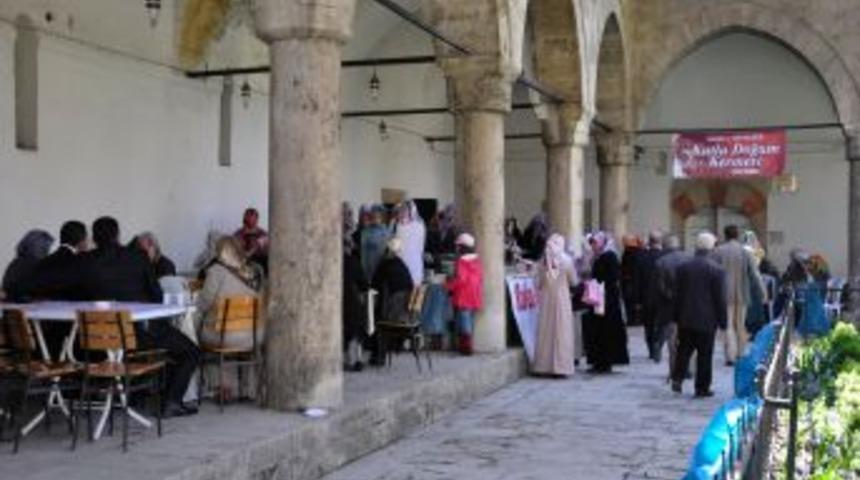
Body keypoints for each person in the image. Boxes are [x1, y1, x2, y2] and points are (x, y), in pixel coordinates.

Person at [85, 216, 200, 417]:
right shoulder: (137, 257)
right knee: (190, 352)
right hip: (140, 334)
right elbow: (156, 296)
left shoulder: (86, 260)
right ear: (118, 235)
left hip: (97, 339)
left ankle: (131, 395)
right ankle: (171, 401)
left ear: (93, 238)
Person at [196, 236, 265, 398]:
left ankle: (220, 387)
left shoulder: (216, 272)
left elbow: (203, 304)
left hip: (226, 337)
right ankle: (248, 390)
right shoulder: (253, 271)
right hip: (255, 336)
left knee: (195, 329)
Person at [672, 232, 727, 398]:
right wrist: (723, 321)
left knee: (684, 350)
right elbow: (719, 298)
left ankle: (678, 378)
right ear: (711, 248)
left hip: (686, 317)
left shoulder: (683, 268)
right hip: (707, 319)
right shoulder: (716, 270)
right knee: (705, 355)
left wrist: (676, 316)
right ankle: (701, 387)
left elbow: (678, 294)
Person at [713, 225, 765, 365]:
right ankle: (741, 354)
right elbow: (755, 275)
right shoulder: (745, 252)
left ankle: (730, 356)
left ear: (725, 235)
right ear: (737, 235)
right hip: (743, 292)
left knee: (728, 325)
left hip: (724, 294)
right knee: (740, 325)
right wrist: (763, 291)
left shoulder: (718, 251)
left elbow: (712, 273)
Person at [583, 232, 630, 373]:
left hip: (607, 300)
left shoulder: (610, 256)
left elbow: (613, 277)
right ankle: (599, 361)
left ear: (603, 243)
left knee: (606, 331)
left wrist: (598, 283)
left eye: (596, 243)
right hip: (598, 298)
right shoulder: (598, 257)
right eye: (592, 243)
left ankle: (605, 361)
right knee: (597, 330)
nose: (593, 246)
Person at [532, 234, 576, 377]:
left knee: (546, 331)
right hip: (562, 298)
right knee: (561, 331)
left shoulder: (543, 261)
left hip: (546, 299)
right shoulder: (567, 261)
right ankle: (561, 367)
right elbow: (573, 281)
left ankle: (542, 366)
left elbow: (537, 283)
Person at [370, 237, 415, 364]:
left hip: (396, 312)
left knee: (377, 320)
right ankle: (389, 349)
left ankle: (379, 356)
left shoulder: (385, 265)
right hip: (407, 313)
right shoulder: (402, 264)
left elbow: (374, 284)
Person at [654, 234, 691, 378]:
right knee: (688, 339)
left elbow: (660, 287)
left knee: (672, 341)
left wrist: (670, 297)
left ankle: (676, 369)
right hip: (688, 305)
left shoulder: (661, 262)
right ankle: (687, 368)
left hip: (669, 306)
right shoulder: (689, 259)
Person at [446, 233, 482, 355]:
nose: (457, 248)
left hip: (463, 295)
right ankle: (467, 345)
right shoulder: (476, 260)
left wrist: (448, 285)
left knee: (464, 321)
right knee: (469, 320)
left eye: (459, 246)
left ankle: (466, 347)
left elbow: (461, 279)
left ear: (463, 247)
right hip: (474, 294)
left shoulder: (461, 261)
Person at [343, 204, 369, 371]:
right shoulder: (353, 262)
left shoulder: (337, 263)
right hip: (350, 302)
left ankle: (352, 358)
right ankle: (355, 359)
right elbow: (364, 284)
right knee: (358, 321)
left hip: (341, 302)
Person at [2, 229, 55, 302]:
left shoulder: (17, 261)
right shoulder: (31, 263)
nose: (47, 252)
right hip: (25, 307)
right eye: (44, 248)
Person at [637, 231, 664, 361]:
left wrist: (637, 299)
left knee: (648, 325)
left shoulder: (642, 256)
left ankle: (651, 349)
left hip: (646, 296)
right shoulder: (665, 256)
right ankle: (658, 342)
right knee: (662, 323)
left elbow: (637, 279)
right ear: (660, 241)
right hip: (663, 297)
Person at [394, 200, 426, 286]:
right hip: (401, 263)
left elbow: (420, 247)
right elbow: (396, 247)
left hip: (414, 263)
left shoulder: (419, 226)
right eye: (401, 210)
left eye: (404, 210)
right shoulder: (399, 226)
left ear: (411, 211)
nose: (401, 213)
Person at [360, 205, 391, 282]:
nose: (375, 219)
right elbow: (363, 252)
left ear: (382, 217)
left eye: (377, 216)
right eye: (373, 216)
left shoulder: (387, 232)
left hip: (382, 267)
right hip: (368, 266)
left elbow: (389, 252)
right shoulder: (365, 232)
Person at [620, 234, 644, 327]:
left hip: (629, 282)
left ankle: (632, 319)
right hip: (634, 281)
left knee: (629, 302)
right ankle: (636, 319)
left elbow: (625, 268)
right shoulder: (639, 252)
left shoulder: (629, 253)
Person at [234, 207, 269, 272]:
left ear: (257, 219)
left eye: (253, 217)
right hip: (241, 262)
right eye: (247, 217)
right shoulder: (238, 234)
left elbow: (265, 246)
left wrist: (253, 249)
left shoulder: (263, 234)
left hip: (260, 262)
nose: (250, 219)